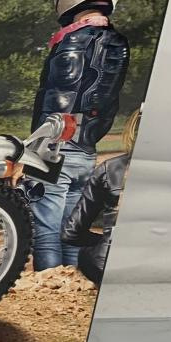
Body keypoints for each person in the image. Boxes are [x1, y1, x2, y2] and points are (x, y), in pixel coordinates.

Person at [31, 0, 129, 270]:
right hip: (87, 149)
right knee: (70, 231)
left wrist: (34, 149)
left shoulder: (71, 41)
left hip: (56, 146)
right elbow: (108, 102)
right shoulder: (118, 42)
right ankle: (68, 285)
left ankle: (48, 286)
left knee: (45, 231)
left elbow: (58, 100)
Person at [61, 111, 139, 285]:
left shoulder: (108, 168)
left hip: (106, 266)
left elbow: (70, 233)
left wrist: (107, 240)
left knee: (89, 254)